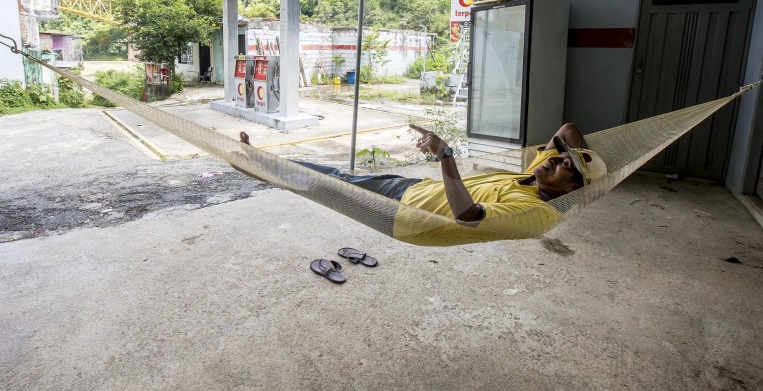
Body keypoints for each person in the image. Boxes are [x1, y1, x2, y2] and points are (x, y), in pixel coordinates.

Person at [239, 123, 607, 228]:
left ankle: (260, 165)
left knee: (330, 183)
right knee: (336, 176)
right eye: (559, 157)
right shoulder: (537, 176)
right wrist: (581, 165)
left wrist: (446, 154)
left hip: (405, 208)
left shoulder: (534, 209)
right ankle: (263, 164)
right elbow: (567, 130)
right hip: (414, 187)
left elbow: (468, 215)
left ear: (572, 188)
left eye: (564, 165)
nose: (555, 158)